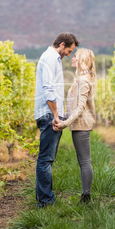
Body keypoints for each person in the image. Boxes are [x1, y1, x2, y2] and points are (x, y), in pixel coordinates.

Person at [34, 32, 79, 207]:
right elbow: (48, 89)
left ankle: (44, 199)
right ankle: (45, 201)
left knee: (47, 159)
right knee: (45, 159)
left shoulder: (54, 59)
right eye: (69, 50)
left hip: (49, 113)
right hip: (48, 115)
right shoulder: (50, 58)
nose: (69, 54)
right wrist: (55, 115)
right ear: (61, 44)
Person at [53, 48, 96, 203]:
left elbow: (80, 107)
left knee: (85, 161)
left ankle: (86, 197)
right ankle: (86, 195)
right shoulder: (80, 79)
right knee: (82, 160)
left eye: (75, 57)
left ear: (82, 60)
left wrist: (65, 123)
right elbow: (73, 106)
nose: (72, 58)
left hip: (82, 124)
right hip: (78, 124)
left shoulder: (83, 81)